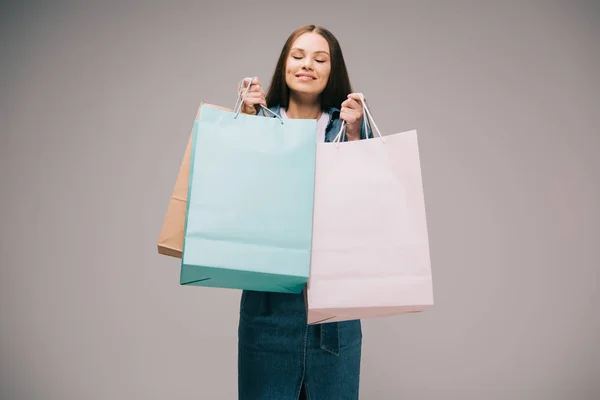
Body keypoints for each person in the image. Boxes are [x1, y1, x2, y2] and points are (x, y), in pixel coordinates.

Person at [236, 24, 372, 400]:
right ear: (284, 65)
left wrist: (357, 134)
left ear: (333, 69)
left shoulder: (345, 128)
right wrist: (245, 121)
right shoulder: (260, 123)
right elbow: (237, 191)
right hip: (268, 304)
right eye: (298, 56)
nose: (307, 64)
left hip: (336, 307)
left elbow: (370, 205)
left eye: (319, 58)